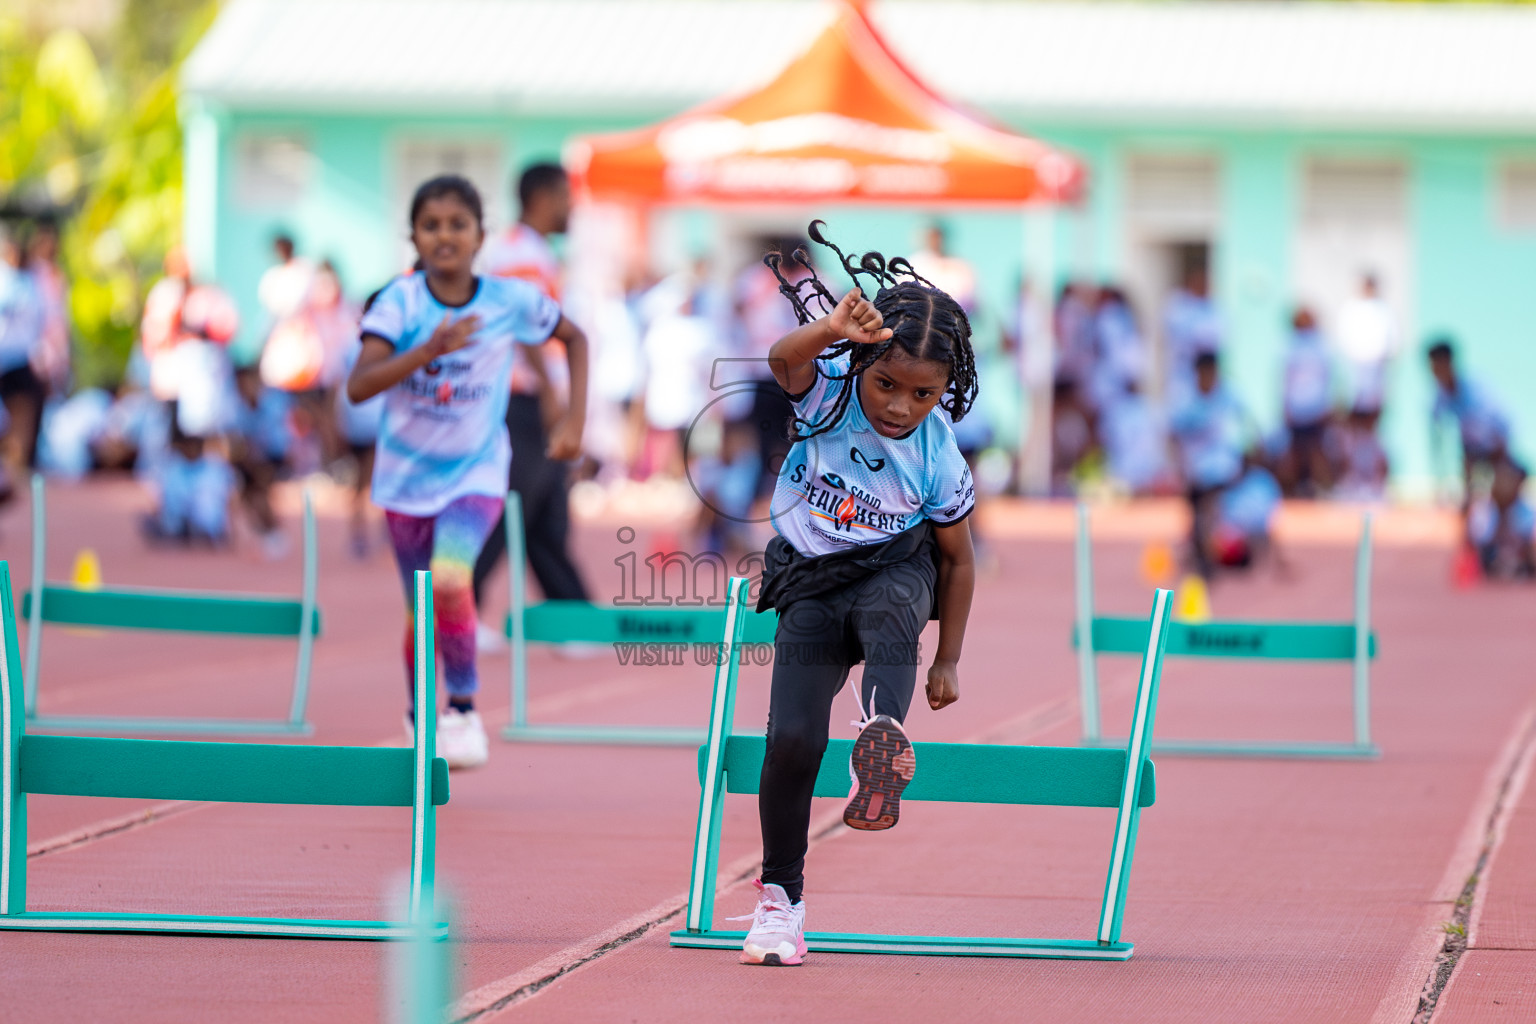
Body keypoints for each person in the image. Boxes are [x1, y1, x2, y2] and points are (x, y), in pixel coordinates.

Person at [736, 220, 977, 967]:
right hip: (811, 582)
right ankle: (780, 904)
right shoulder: (831, 392)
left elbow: (959, 562)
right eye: (888, 384)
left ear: (947, 391)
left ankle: (882, 736)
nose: (901, 407)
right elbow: (781, 360)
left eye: (923, 393)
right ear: (861, 362)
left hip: (893, 569)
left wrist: (950, 660)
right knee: (793, 740)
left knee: (894, 607)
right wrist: (832, 329)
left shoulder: (939, 453)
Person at [347, 175, 589, 770]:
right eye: (431, 226)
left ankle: (461, 710)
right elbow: (359, 386)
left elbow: (575, 338)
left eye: (458, 224)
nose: (445, 236)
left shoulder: (508, 300)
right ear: (414, 237)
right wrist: (426, 351)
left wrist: (574, 421)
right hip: (405, 481)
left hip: (477, 473)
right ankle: (417, 717)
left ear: (481, 235)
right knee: (419, 605)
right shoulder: (399, 302)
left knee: (451, 580)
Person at [471, 162, 591, 653]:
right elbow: (526, 332)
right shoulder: (521, 252)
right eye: (565, 196)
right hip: (520, 400)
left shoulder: (534, 251)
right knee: (507, 507)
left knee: (545, 515)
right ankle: (458, 612)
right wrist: (549, 394)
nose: (571, 206)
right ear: (541, 198)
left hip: (529, 397)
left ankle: (574, 618)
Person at [1170, 351, 1249, 580]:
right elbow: (1173, 435)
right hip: (1196, 472)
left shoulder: (1229, 396)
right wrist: (1181, 468)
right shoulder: (1186, 401)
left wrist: (1246, 455)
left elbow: (1247, 424)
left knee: (1210, 509)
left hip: (1224, 470)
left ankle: (1214, 554)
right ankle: (1204, 553)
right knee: (1199, 514)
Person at [1428, 337, 1512, 516]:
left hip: (1495, 447)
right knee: (1469, 498)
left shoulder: (1475, 388)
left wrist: (1496, 458)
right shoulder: (1441, 394)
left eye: (1435, 365)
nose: (1433, 371)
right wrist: (1441, 478)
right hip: (1473, 450)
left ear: (1447, 362)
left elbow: (1497, 427)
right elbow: (1437, 433)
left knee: (1502, 495)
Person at [0, 223, 45, 480]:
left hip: (20, 358)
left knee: (24, 411)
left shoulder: (29, 282)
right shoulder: (3, 279)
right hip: (3, 358)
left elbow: (37, 323)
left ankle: (17, 465)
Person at [1282, 307, 1335, 496]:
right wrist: (1285, 407)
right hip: (1296, 408)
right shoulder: (1288, 346)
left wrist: (1328, 405)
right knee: (1296, 451)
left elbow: (1328, 377)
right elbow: (1284, 380)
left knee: (1317, 450)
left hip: (1316, 408)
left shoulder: (1321, 346)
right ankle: (1296, 490)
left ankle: (1321, 488)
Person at [1335, 273, 1397, 416]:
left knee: (1373, 405)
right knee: (1353, 405)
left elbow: (1392, 340)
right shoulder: (1350, 308)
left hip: (1377, 364)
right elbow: (1343, 337)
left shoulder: (1384, 310)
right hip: (1355, 365)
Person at [1162, 264, 1222, 409]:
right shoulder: (1177, 305)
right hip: (1182, 369)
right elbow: (1176, 332)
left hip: (1205, 369)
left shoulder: (1214, 308)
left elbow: (1214, 339)